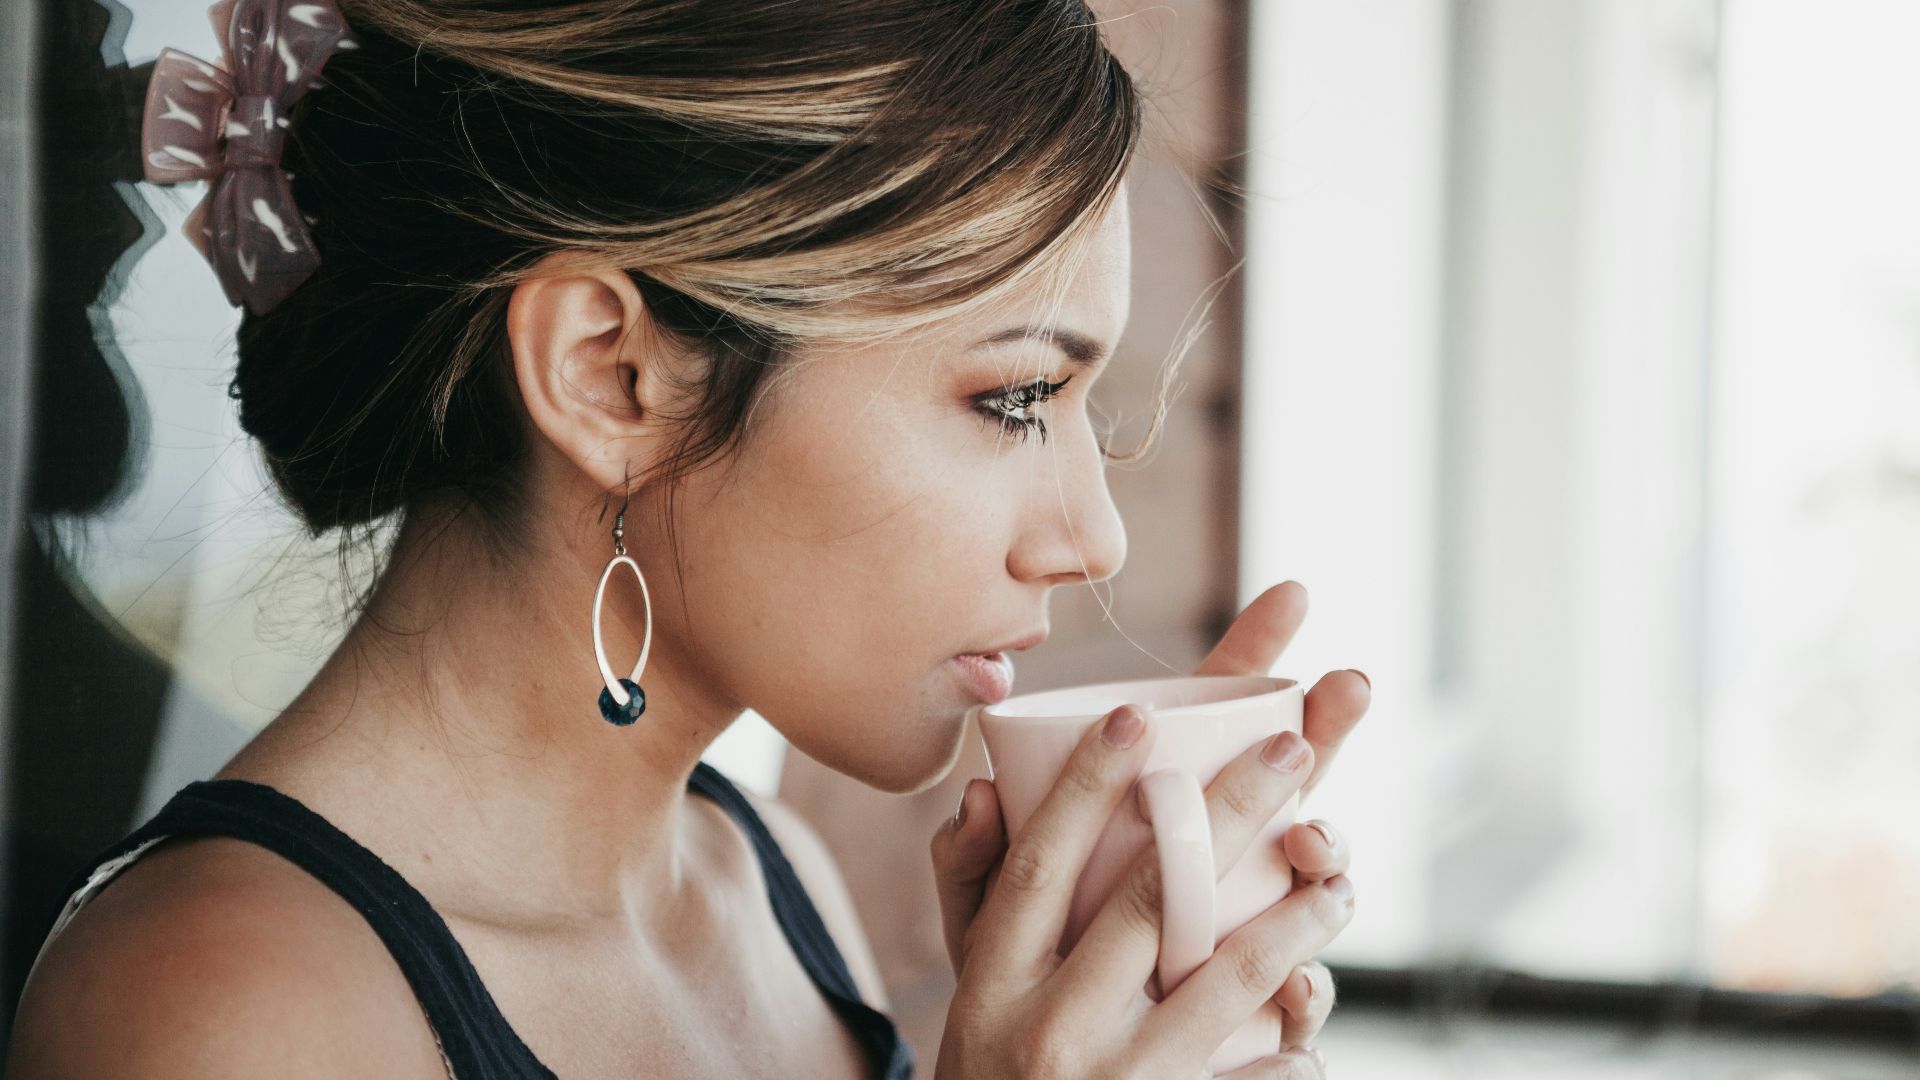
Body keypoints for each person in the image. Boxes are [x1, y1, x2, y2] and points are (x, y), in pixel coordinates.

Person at [6, 0, 1369, 1076]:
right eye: (1012, 399)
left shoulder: (771, 886)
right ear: (611, 377)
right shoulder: (227, 1012)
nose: (1096, 539)